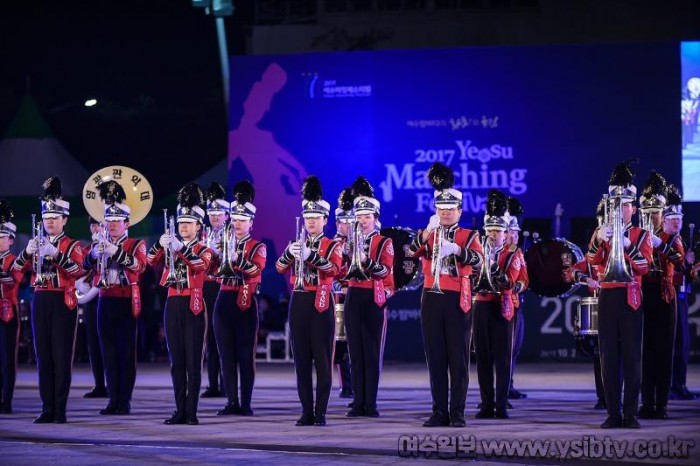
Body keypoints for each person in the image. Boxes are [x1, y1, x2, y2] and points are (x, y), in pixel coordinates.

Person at [408, 163, 483, 427]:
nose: (446, 213)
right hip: (431, 296)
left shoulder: (469, 235)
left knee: (457, 358)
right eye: (442, 209)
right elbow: (411, 252)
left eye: (451, 209)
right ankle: (439, 410)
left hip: (456, 298)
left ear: (460, 211)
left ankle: (458, 412)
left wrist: (458, 250)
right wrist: (428, 231)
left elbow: (479, 262)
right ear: (436, 210)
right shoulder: (429, 232)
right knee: (436, 356)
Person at [12, 177, 84, 423]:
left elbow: (78, 271)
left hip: (63, 301)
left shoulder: (72, 244)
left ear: (64, 219)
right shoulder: (36, 242)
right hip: (40, 299)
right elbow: (17, 272)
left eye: (55, 217)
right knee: (42, 355)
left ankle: (60, 409)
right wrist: (26, 252)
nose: (49, 221)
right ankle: (47, 408)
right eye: (46, 218)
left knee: (61, 355)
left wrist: (56, 253)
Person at [586, 160, 652, 429]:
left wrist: (627, 245)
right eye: (617, 203)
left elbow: (645, 267)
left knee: (632, 357)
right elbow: (591, 260)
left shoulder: (641, 234)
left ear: (633, 209)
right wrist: (599, 239)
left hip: (631, 298)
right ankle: (613, 412)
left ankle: (631, 413)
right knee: (608, 357)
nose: (621, 208)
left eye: (626, 204)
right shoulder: (601, 231)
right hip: (608, 296)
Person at [276, 175, 342, 426]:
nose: (311, 222)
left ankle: (321, 412)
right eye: (308, 218)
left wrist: (310, 255)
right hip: (299, 301)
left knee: (322, 359)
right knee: (301, 359)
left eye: (316, 218)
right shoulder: (296, 243)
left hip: (321, 302)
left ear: (325, 220)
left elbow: (333, 269)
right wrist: (289, 254)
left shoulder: (332, 244)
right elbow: (280, 268)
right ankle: (306, 411)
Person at [147, 183, 213, 426]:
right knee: (177, 363)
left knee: (193, 362)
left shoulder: (204, 249)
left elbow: (201, 265)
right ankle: (179, 409)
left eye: (189, 223)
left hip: (194, 304)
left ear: (198, 226)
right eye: (181, 223)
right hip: (173, 303)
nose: (183, 227)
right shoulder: (171, 247)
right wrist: (159, 243)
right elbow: (149, 260)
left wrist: (180, 248)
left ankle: (192, 411)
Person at [84, 181, 147, 415]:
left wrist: (116, 252)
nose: (111, 224)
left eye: (116, 221)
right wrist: (93, 253)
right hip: (105, 298)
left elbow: (140, 266)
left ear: (126, 224)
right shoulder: (99, 242)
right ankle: (112, 399)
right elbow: (84, 265)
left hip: (126, 300)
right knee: (107, 352)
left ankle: (125, 400)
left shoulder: (135, 244)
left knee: (126, 353)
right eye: (108, 220)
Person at [214, 180, 266, 417]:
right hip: (224, 299)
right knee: (226, 354)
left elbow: (255, 270)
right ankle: (231, 401)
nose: (237, 224)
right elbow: (210, 272)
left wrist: (236, 257)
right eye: (234, 219)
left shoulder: (258, 247)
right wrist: (213, 253)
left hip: (245, 301)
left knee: (245, 354)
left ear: (251, 223)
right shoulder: (223, 243)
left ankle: (245, 403)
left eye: (242, 220)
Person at [344, 176, 394, 419]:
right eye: (359, 216)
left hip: (374, 296)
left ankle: (370, 403)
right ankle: (357, 401)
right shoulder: (349, 241)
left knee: (371, 352)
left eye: (367, 217)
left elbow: (386, 272)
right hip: (354, 294)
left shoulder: (384, 242)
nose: (362, 221)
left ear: (375, 218)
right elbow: (342, 271)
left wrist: (367, 261)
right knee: (355, 351)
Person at [639, 184, 688, 418]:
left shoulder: (671, 237)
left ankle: (661, 405)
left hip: (664, 296)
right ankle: (646, 403)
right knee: (645, 351)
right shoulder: (639, 234)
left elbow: (679, 260)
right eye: (647, 213)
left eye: (655, 212)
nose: (651, 217)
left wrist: (660, 245)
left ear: (662, 214)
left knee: (664, 351)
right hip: (644, 296)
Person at [472, 189, 521, 420]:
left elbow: (510, 282)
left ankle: (500, 405)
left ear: (505, 233)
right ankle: (485, 403)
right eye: (489, 230)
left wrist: (492, 267)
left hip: (502, 307)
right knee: (482, 357)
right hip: (481, 305)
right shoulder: (477, 252)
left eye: (498, 231)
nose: (493, 235)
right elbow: (470, 281)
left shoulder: (513, 254)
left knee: (502, 358)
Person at [201, 182, 229, 399]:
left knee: (225, 336)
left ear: (227, 215)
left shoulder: (233, 234)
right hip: (207, 287)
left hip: (225, 287)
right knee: (209, 336)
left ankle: (227, 384)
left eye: (219, 214)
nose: (216, 218)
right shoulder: (202, 234)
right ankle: (212, 384)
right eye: (212, 214)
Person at [79, 217, 107, 399]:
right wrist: (80, 285)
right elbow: (78, 269)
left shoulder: (111, 247)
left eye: (100, 224)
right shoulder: (87, 250)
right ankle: (99, 384)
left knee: (109, 343)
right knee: (93, 344)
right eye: (94, 225)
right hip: (91, 300)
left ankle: (113, 384)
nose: (97, 228)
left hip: (108, 297)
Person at [670, 229, 699, 400]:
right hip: (671, 296)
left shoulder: (683, 242)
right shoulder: (664, 241)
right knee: (676, 343)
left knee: (684, 344)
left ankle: (679, 384)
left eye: (679, 217)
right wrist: (685, 263)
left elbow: (688, 273)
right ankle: (672, 386)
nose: (677, 222)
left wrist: (692, 267)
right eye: (673, 217)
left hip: (683, 296)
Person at [332, 187, 354, 400]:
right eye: (343, 222)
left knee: (357, 341)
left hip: (356, 295)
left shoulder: (359, 242)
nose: (347, 226)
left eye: (351, 221)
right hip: (339, 298)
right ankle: (345, 385)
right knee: (340, 343)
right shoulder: (332, 244)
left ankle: (358, 385)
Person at [505, 196, 529, 401]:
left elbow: (524, 280)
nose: (514, 235)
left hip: (514, 305)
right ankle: (495, 392)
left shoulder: (517, 253)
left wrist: (515, 288)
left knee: (513, 349)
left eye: (515, 232)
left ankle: (507, 386)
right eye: (510, 232)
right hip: (495, 305)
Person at [0, 200, 22, 414]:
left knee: (7, 357)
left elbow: (13, 280)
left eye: (1, 237)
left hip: (7, 311)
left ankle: (6, 400)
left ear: (11, 240)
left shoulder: (14, 260)